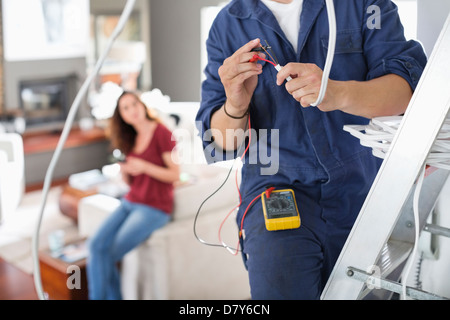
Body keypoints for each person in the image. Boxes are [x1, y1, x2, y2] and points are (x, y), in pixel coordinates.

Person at [196, 0, 427, 299]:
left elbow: (408, 93)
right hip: (275, 187)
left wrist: (337, 92)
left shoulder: (365, 5)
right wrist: (235, 104)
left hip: (365, 190)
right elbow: (221, 143)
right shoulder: (228, 24)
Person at [86, 91, 179, 300]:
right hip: (131, 201)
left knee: (107, 255)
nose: (131, 111)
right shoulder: (131, 138)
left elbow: (175, 174)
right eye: (125, 108)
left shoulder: (162, 133)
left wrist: (145, 166)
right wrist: (126, 173)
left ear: (142, 105)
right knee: (95, 245)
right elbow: (132, 183)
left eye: (133, 104)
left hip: (154, 207)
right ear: (122, 116)